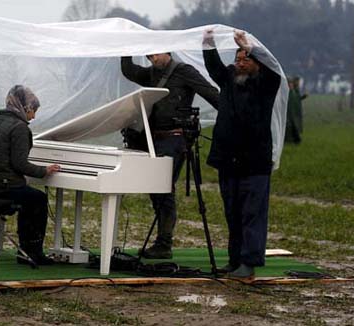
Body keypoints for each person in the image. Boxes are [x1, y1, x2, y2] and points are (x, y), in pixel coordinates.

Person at [120, 52, 219, 259]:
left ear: (167, 51)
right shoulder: (152, 73)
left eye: (155, 55)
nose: (152, 60)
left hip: (175, 139)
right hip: (154, 139)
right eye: (148, 57)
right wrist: (126, 49)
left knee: (163, 188)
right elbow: (129, 71)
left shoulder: (184, 71)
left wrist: (231, 114)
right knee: (156, 189)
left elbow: (211, 94)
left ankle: (164, 243)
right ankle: (162, 241)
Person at [202, 29, 281, 279]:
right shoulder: (228, 79)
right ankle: (235, 260)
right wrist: (208, 44)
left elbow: (273, 70)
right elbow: (214, 66)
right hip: (228, 159)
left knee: (252, 213)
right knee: (232, 213)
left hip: (255, 162)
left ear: (257, 64)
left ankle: (249, 262)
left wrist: (249, 46)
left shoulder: (266, 85)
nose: (240, 63)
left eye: (246, 59)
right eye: (238, 59)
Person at [0, 85, 60, 265]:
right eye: (33, 111)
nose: (34, 116)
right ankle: (32, 251)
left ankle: (25, 248)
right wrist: (44, 170)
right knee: (37, 199)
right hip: (3, 187)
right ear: (25, 107)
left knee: (28, 195)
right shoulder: (20, 128)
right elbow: (19, 164)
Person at [285, 76, 306, 144]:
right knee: (289, 126)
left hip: (294, 112)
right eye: (289, 83)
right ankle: (291, 140)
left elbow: (297, 99)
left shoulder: (295, 91)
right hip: (288, 113)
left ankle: (295, 140)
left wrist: (303, 97)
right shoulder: (287, 92)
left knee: (294, 126)